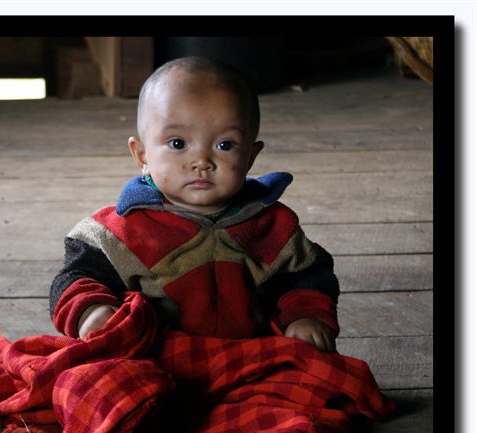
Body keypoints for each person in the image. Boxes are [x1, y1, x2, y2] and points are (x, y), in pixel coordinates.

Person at [49, 56, 340, 352]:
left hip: (252, 354)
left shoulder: (272, 226)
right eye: (178, 144)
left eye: (225, 145)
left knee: (336, 386)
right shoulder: (117, 233)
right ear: (142, 154)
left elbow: (308, 276)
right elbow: (75, 278)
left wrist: (305, 318)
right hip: (154, 355)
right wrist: (91, 311)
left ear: (251, 157)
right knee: (89, 385)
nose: (201, 161)